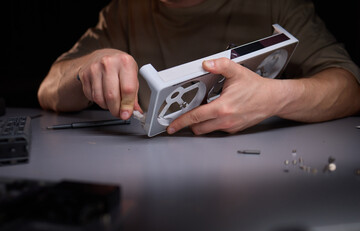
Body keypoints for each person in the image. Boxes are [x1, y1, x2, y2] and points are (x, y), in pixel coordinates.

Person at [38, 0, 360, 135]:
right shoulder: (125, 11)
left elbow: (349, 87)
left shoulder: (275, 4)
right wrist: (87, 69)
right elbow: (49, 88)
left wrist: (277, 97)